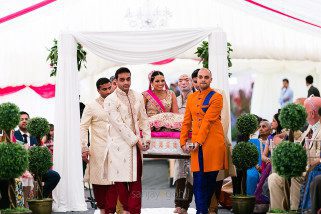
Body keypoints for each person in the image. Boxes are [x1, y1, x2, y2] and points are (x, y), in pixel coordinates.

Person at [104, 67, 151, 214]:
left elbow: (144, 119)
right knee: (120, 180)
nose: (126, 82)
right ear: (116, 81)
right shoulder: (110, 100)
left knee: (136, 181)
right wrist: (136, 140)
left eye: (128, 79)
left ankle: (134, 211)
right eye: (122, 80)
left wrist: (147, 138)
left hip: (136, 146)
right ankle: (127, 209)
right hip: (119, 145)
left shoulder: (137, 96)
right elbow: (119, 125)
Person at [180, 68, 228, 214]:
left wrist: (198, 142)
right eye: (200, 77)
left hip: (212, 144)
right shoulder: (192, 98)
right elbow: (187, 121)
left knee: (209, 182)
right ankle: (201, 211)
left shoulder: (216, 97)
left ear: (210, 80)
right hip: (197, 145)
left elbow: (207, 121)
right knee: (199, 181)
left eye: (206, 77)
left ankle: (202, 211)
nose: (203, 80)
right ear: (196, 79)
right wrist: (182, 141)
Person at [268, 97, 321, 211]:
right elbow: (298, 145)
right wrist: (286, 140)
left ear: (312, 113)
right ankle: (278, 211)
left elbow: (317, 158)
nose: (301, 113)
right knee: (273, 178)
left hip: (309, 170)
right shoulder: (309, 129)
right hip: (300, 168)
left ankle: (294, 210)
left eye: (304, 110)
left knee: (293, 176)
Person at [80, 77, 119, 214]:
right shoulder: (91, 106)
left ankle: (110, 210)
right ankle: (103, 209)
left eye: (109, 88)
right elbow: (83, 127)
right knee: (99, 181)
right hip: (98, 149)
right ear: (98, 90)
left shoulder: (118, 103)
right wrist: (84, 147)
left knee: (115, 181)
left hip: (116, 149)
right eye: (104, 89)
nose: (108, 91)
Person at [14, 111, 60, 199]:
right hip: (19, 170)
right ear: (17, 121)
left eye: (26, 119)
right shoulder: (13, 135)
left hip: (36, 170)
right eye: (21, 119)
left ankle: (39, 198)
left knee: (54, 176)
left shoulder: (36, 136)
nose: (24, 121)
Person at [173, 74, 193, 214]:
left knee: (191, 173)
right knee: (179, 171)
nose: (184, 82)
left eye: (187, 80)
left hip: (193, 140)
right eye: (181, 80)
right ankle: (178, 204)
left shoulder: (196, 98)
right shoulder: (174, 99)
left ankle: (186, 205)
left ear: (192, 82)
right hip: (179, 140)